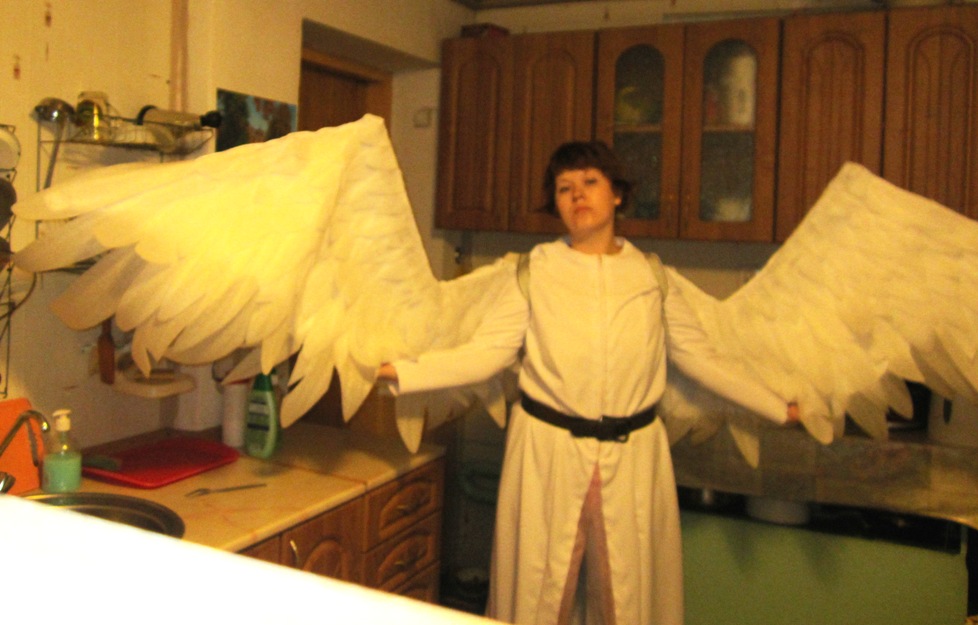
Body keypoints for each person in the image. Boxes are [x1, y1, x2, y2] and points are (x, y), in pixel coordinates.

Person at [378, 141, 798, 625]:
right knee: (537, 594)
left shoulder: (652, 277)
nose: (577, 194)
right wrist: (403, 372)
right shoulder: (533, 271)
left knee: (626, 598)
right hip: (547, 452)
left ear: (617, 194)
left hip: (633, 457)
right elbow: (486, 354)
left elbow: (701, 360)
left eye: (590, 182)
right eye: (564, 188)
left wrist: (777, 408)